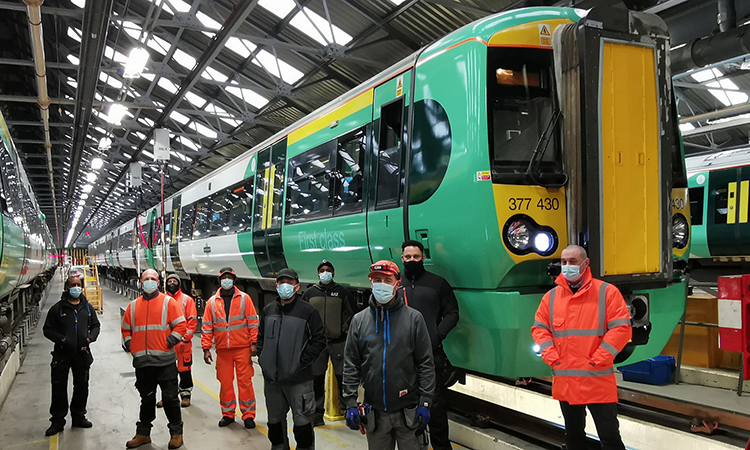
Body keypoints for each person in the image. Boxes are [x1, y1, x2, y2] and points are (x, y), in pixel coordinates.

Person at [531, 245, 632, 450]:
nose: (567, 266)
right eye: (564, 262)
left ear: (585, 264)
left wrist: (597, 359)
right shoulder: (551, 297)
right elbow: (539, 329)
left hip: (597, 381)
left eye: (573, 262)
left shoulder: (606, 292)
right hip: (567, 382)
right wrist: (552, 357)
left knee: (610, 438)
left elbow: (621, 329)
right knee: (574, 438)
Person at [343, 260, 435, 450]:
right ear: (371, 283)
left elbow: (425, 363)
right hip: (375, 414)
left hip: (408, 412)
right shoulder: (359, 321)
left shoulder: (413, 319)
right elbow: (351, 364)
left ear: (397, 283)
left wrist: (425, 402)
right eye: (377, 280)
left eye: (387, 279)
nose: (381, 284)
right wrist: (350, 402)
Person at [400, 240, 459, 450]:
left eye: (416, 257)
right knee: (406, 410)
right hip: (402, 360)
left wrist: (437, 335)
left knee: (436, 410)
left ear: (423, 258)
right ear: (402, 259)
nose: (412, 261)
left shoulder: (438, 283)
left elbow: (452, 312)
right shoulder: (396, 285)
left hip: (431, 358)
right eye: (408, 257)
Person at [258, 268, 326, 450]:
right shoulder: (268, 310)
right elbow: (261, 338)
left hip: (299, 380)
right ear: (276, 285)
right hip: (272, 381)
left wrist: (301, 363)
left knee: (303, 425)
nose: (285, 286)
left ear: (296, 287)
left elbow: (319, 340)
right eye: (282, 282)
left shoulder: (308, 312)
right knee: (274, 423)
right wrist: (263, 359)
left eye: (289, 282)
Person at [121, 269, 187, 449]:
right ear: (141, 282)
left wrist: (170, 341)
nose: (149, 281)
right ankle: (143, 434)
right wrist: (130, 345)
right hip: (143, 363)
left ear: (158, 282)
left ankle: (176, 433)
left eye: (153, 279)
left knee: (170, 399)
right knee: (147, 400)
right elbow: (126, 329)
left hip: (165, 362)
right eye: (146, 279)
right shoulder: (133, 306)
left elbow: (181, 325)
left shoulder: (168, 302)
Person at [42, 275, 100, 436]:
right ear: (67, 287)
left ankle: (79, 416)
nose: (76, 288)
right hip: (62, 354)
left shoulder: (87, 308)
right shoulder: (58, 308)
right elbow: (47, 330)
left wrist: (90, 338)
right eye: (73, 285)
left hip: (82, 354)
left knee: (82, 387)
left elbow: (95, 325)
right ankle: (57, 421)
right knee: (59, 387)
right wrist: (62, 340)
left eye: (78, 285)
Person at [202, 267, 259, 429]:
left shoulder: (244, 299)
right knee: (225, 383)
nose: (227, 280)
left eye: (229, 277)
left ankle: (248, 415)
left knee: (245, 382)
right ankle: (228, 414)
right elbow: (207, 327)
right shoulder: (212, 302)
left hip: (242, 348)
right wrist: (206, 348)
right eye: (224, 277)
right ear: (220, 281)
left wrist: (253, 343)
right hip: (222, 350)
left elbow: (253, 322)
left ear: (234, 280)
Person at [300, 259, 355, 426]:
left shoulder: (343, 292)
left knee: (343, 378)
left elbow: (353, 314)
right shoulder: (310, 293)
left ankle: (348, 412)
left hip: (338, 343)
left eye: (328, 270)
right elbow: (302, 315)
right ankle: (317, 415)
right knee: (316, 379)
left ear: (333, 273)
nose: (325, 272)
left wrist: (344, 329)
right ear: (318, 273)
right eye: (322, 270)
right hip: (317, 345)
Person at [155, 275, 197, 408]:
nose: (172, 283)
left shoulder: (187, 300)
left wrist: (186, 338)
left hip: (182, 343)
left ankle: (185, 396)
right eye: (170, 282)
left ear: (179, 284)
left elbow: (192, 320)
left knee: (184, 370)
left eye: (175, 281)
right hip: (166, 343)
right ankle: (168, 397)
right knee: (167, 372)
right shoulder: (161, 300)